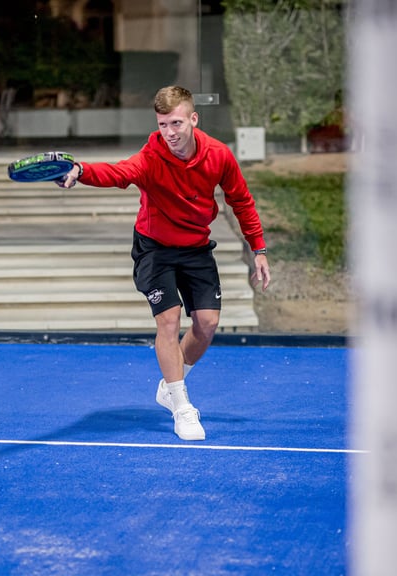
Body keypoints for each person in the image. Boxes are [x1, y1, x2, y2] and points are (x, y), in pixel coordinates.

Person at [58, 85, 271, 441]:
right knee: (169, 321)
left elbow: (242, 201)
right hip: (154, 248)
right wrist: (80, 170)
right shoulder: (151, 157)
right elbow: (117, 173)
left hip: (196, 248)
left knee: (207, 324)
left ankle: (170, 385)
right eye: (162, 125)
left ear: (193, 119)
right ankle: (182, 405)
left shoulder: (219, 155)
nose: (169, 133)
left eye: (175, 123)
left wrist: (259, 249)